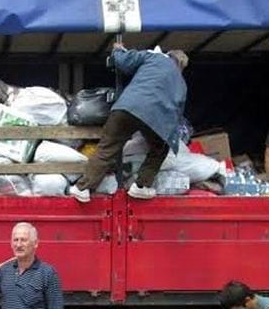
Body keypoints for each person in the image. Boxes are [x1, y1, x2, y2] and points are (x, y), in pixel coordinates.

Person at [72, 43, 188, 202]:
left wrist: (118, 50)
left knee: (107, 148)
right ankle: (141, 186)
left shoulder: (153, 57)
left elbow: (124, 62)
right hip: (156, 117)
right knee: (159, 149)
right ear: (181, 66)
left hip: (127, 107)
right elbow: (176, 114)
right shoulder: (181, 84)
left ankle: (82, 189)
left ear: (169, 55)